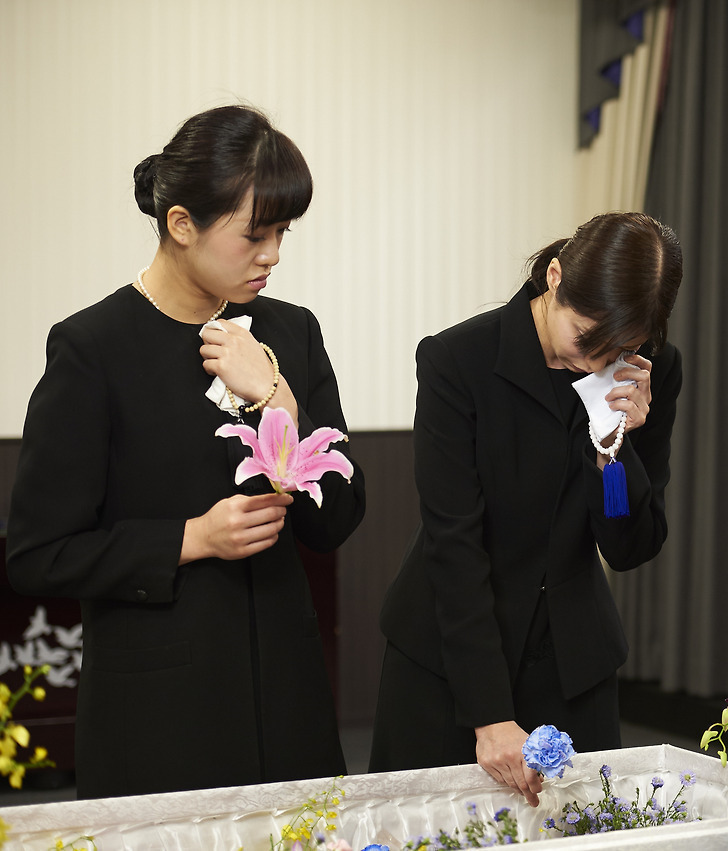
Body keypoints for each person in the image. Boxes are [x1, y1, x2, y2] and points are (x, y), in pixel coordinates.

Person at [5, 105, 366, 798]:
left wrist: (278, 400)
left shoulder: (290, 332)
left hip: (286, 697)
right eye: (254, 235)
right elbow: (38, 554)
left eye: (283, 233)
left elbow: (337, 519)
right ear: (180, 223)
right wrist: (191, 539)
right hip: (159, 715)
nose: (273, 255)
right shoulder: (93, 348)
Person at [370, 212, 683, 806]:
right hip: (450, 659)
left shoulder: (652, 370)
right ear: (555, 277)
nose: (598, 363)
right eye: (586, 338)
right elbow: (454, 543)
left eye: (622, 347)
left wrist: (612, 455)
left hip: (571, 663)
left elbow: (629, 546)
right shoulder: (458, 360)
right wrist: (488, 713)